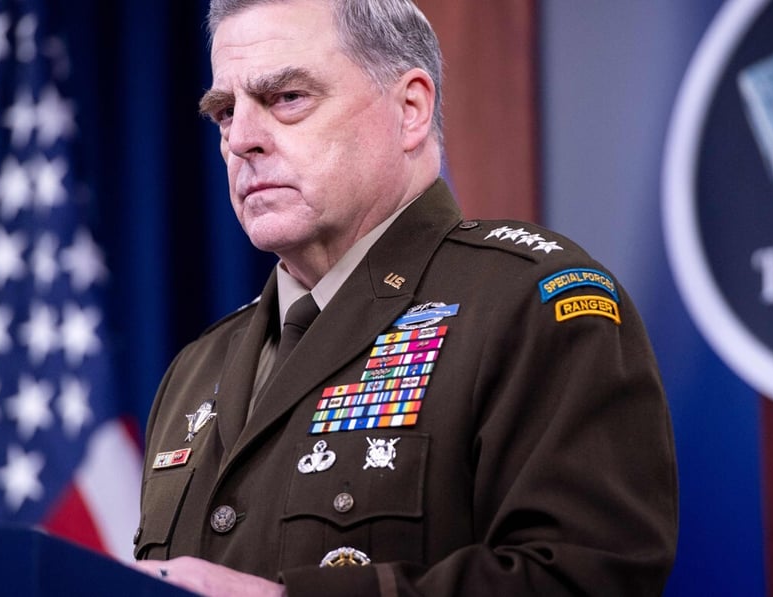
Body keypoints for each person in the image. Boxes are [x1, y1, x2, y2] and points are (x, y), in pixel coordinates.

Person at [132, 0, 678, 595]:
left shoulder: (531, 307)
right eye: (225, 112)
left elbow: (582, 579)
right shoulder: (196, 369)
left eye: (287, 98)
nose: (241, 140)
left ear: (410, 109)